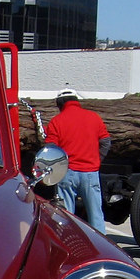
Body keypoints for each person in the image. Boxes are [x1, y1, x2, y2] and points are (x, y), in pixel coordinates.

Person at [44, 88, 112, 234]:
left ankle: (70, 243)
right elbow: (106, 142)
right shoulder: (94, 117)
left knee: (66, 216)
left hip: (67, 173)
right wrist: (97, 159)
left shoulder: (56, 121)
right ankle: (101, 245)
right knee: (96, 214)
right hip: (90, 172)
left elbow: (51, 148)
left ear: (60, 104)